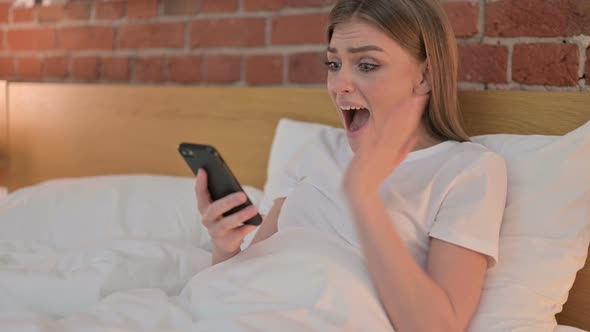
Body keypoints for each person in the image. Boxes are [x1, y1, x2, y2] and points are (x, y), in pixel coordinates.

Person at [194, 0, 507, 330]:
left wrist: (364, 199)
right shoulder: (316, 149)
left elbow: (439, 327)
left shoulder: (467, 170)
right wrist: (225, 249)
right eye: (333, 64)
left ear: (425, 76)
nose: (339, 84)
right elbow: (249, 274)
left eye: (367, 65)